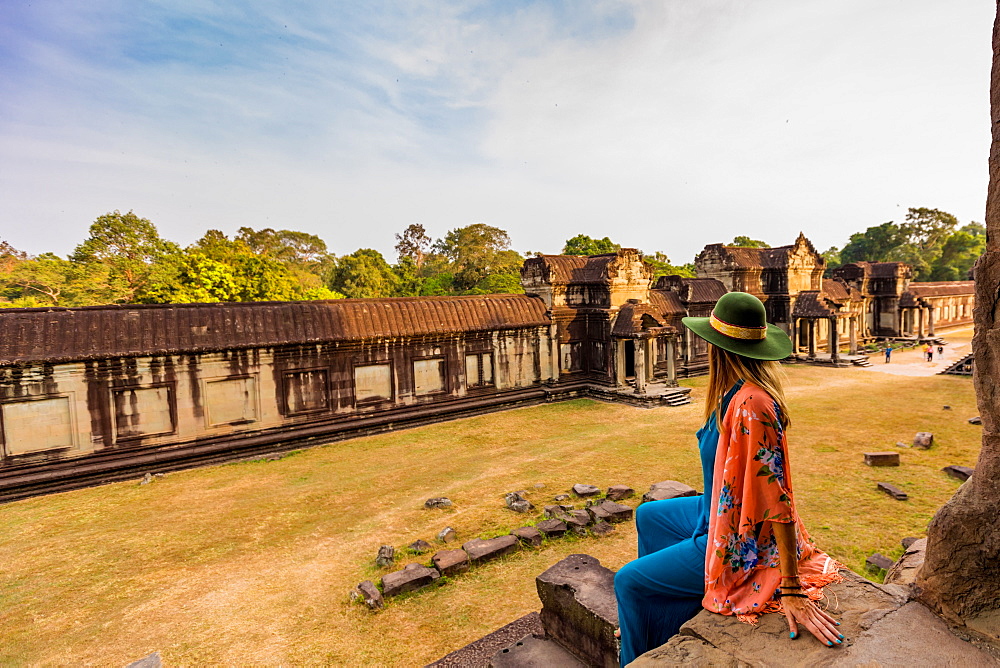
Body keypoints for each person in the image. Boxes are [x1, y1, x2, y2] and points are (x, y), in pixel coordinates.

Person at [614, 292, 845, 666]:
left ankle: (638, 654)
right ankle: (655, 617)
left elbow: (778, 498)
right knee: (648, 516)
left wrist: (790, 587)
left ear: (716, 347)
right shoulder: (731, 392)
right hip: (716, 508)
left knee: (628, 582)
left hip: (740, 536)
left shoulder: (753, 405)